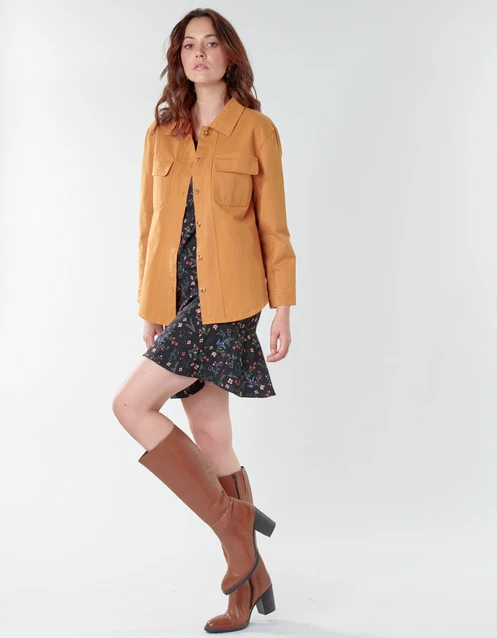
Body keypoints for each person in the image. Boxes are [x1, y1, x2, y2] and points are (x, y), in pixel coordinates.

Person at [112, 7, 296, 634]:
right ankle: (249, 577)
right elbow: (148, 227)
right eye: (189, 44)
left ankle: (232, 527)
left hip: (231, 302)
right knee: (212, 435)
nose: (199, 53)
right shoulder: (161, 133)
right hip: (178, 303)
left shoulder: (257, 130)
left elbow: (274, 228)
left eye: (211, 43)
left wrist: (283, 308)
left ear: (228, 55)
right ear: (179, 59)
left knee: (129, 406)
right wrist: (151, 308)